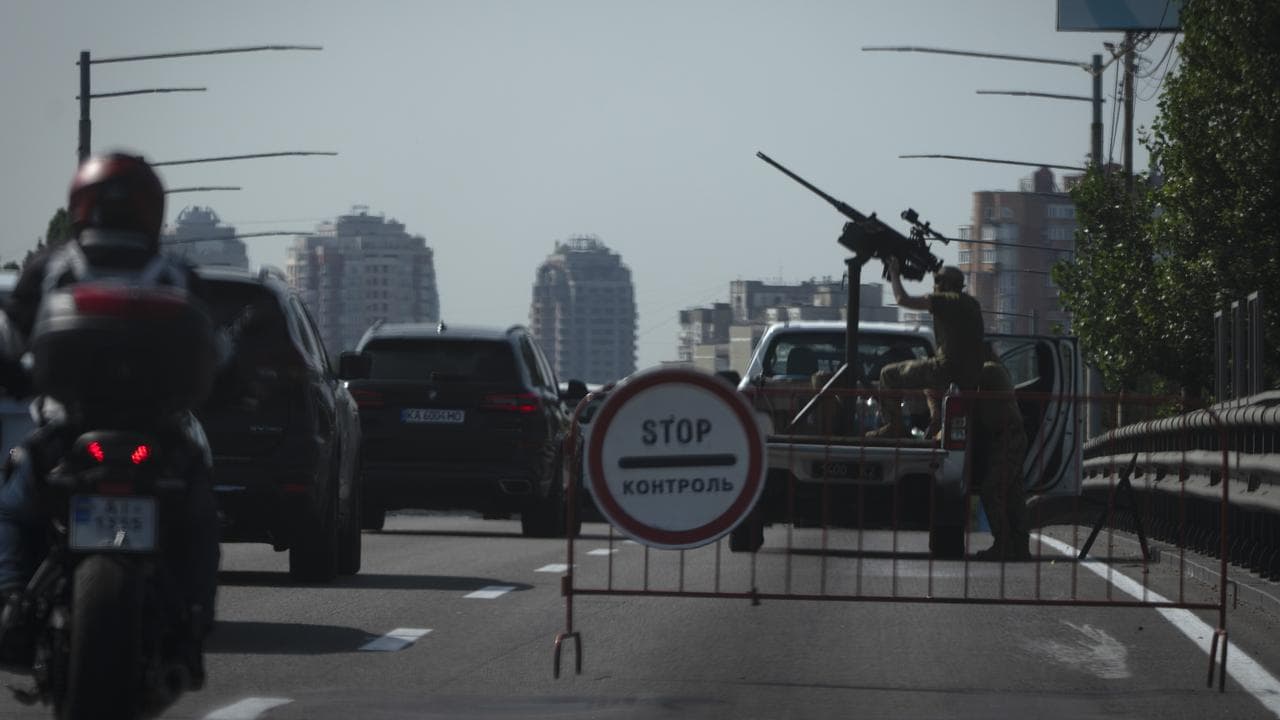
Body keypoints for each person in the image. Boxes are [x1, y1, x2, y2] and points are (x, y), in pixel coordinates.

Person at [0, 153, 222, 682]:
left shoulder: (53, 267)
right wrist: (237, 387)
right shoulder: (174, 273)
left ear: (81, 205)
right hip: (155, 433)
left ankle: (10, 602)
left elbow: (13, 337)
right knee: (199, 512)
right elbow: (218, 354)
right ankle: (192, 622)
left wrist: (16, 375)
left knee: (15, 503)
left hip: (67, 430)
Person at [867, 258, 985, 439]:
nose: (934, 286)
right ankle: (936, 421)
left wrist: (894, 273)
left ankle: (893, 426)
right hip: (969, 375)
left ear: (946, 285)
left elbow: (902, 299)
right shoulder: (972, 304)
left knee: (888, 374)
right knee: (929, 385)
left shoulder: (945, 299)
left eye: (937, 281)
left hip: (946, 369)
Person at [972, 347, 1031, 561]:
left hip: (1008, 437)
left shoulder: (988, 370)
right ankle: (1020, 546)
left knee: (991, 490)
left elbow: (965, 383)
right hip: (1010, 436)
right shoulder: (996, 369)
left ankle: (1003, 544)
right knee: (1013, 494)